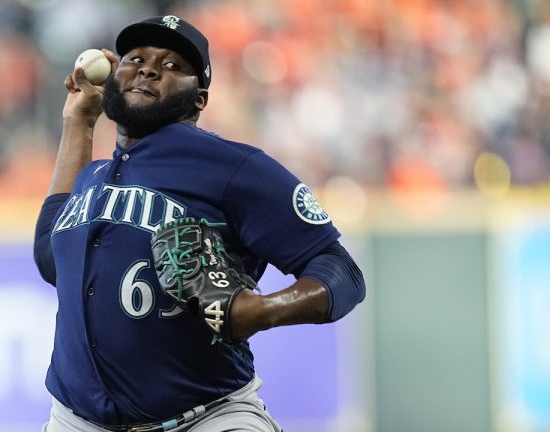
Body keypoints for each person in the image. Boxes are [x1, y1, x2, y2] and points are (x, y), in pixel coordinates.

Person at [33, 15, 366, 432]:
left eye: (173, 66)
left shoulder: (235, 167)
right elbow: (51, 258)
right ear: (114, 79)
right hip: (79, 421)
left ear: (200, 99)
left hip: (208, 418)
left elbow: (343, 273)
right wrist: (77, 124)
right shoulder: (94, 176)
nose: (149, 68)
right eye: (135, 58)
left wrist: (260, 311)